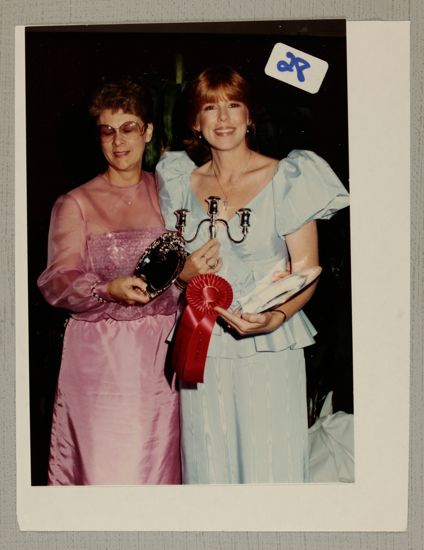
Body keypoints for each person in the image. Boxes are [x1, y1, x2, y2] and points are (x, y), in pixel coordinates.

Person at [156, 65, 350, 484]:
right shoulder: (174, 179)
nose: (223, 118)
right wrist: (182, 272)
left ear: (250, 116)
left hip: (268, 347)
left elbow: (307, 271)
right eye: (211, 107)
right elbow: (169, 264)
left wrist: (275, 317)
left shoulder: (288, 177)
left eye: (234, 105)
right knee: (207, 463)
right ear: (195, 120)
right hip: (201, 346)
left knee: (269, 465)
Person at [38, 79, 186, 485]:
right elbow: (56, 281)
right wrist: (106, 289)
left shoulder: (170, 193)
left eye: (129, 128)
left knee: (157, 477)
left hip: (161, 359)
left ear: (149, 132)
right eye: (107, 130)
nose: (118, 142)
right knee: (106, 475)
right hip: (100, 360)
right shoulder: (75, 203)